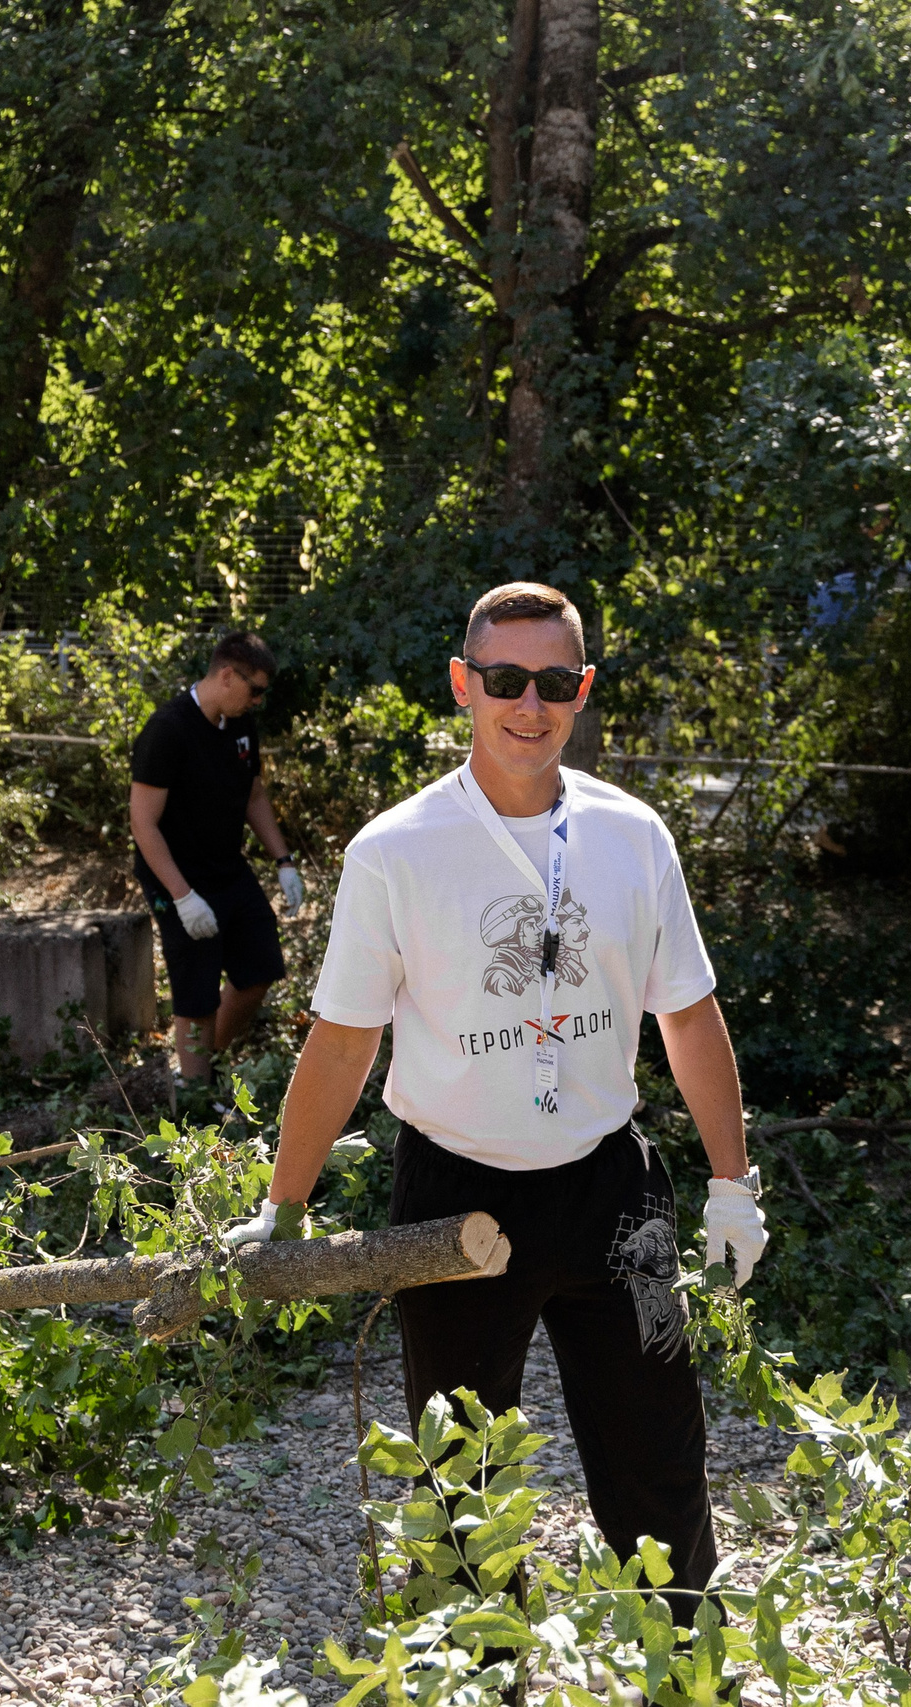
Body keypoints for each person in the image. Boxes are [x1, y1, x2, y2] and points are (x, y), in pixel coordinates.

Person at [223, 581, 768, 1608]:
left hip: (619, 1193)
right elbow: (344, 1044)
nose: (531, 703)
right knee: (462, 1480)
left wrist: (732, 1185)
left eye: (554, 681)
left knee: (660, 1453)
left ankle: (684, 1667)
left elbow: (688, 1016)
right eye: (506, 680)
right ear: (462, 686)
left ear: (584, 689)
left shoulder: (634, 833)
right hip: (453, 1202)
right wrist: (282, 1208)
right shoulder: (393, 851)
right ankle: (478, 1673)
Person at [130, 631, 304, 1085]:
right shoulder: (167, 731)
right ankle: (194, 1098)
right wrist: (183, 897)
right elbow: (143, 824)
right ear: (228, 676)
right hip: (176, 875)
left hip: (227, 867)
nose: (259, 701)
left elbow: (254, 795)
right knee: (197, 993)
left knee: (260, 969)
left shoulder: (241, 724)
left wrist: (283, 860)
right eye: (255, 690)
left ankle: (210, 1063)